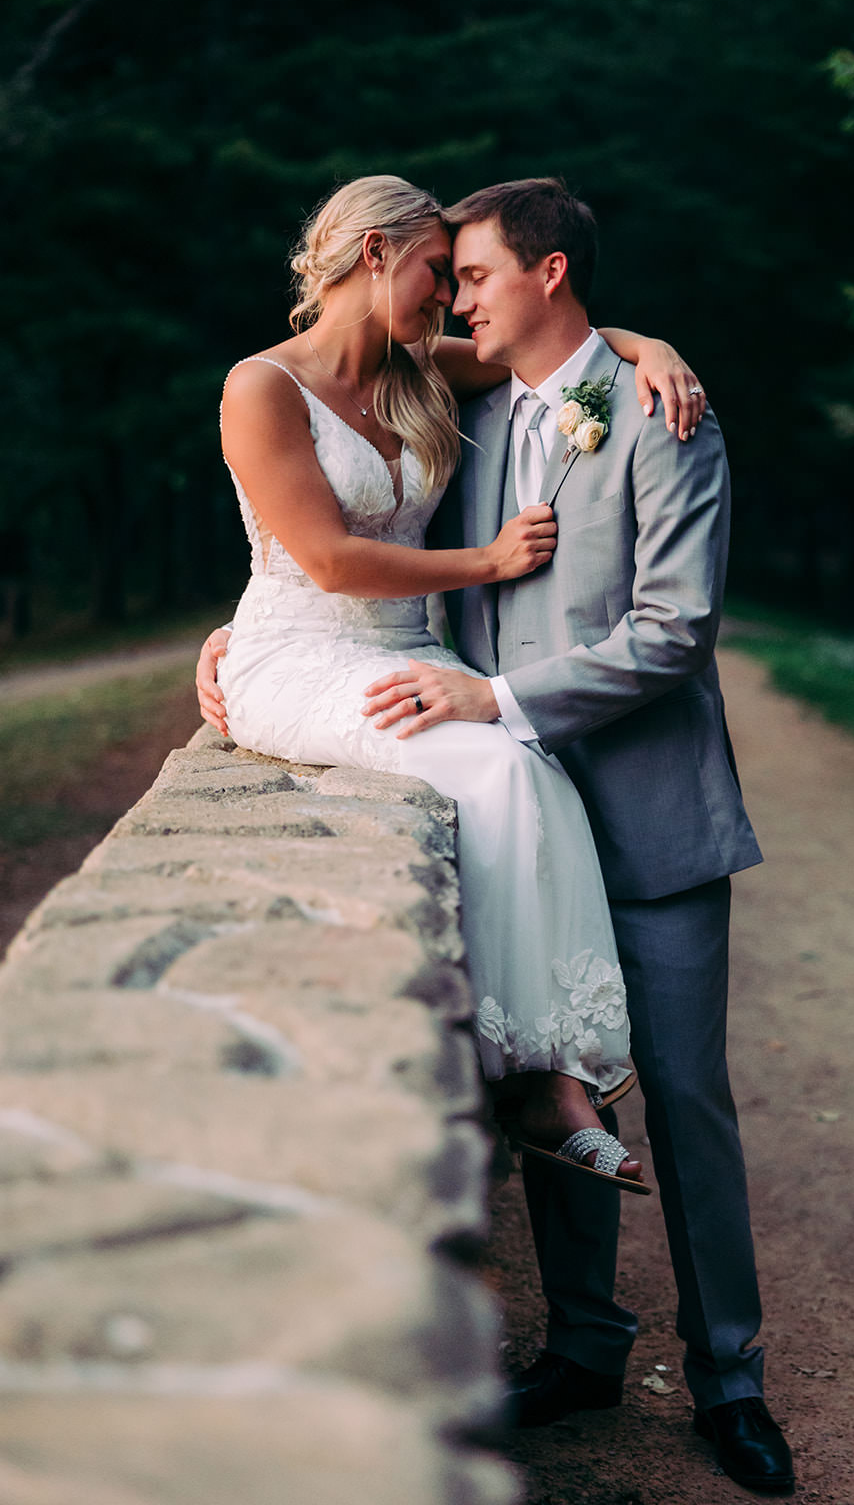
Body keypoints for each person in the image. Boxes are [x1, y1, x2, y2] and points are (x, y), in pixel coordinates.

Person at [358, 178, 796, 1494]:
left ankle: (728, 1380)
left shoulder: (666, 420)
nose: (458, 297)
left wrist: (494, 698)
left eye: (478, 275)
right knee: (546, 1081)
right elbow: (363, 550)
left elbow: (672, 631)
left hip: (653, 819)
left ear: (547, 273)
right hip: (519, 825)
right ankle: (585, 1345)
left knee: (680, 1096)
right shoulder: (478, 417)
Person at [197, 173, 707, 1194]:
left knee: (526, 768)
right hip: (298, 652)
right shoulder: (261, 386)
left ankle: (547, 1071)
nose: (448, 297)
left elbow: (566, 351)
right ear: (376, 253)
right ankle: (529, 1080)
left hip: (402, 649)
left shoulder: (418, 369)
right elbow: (331, 561)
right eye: (439, 271)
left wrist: (656, 350)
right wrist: (486, 561)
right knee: (491, 765)